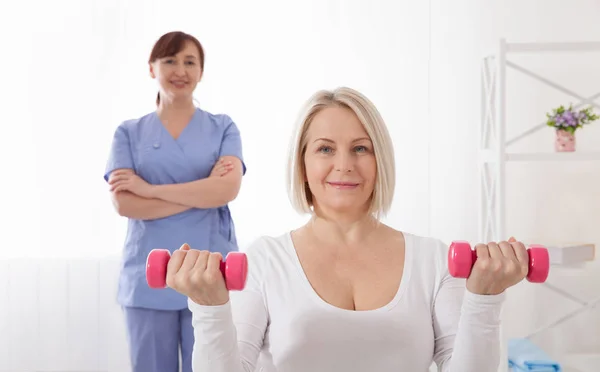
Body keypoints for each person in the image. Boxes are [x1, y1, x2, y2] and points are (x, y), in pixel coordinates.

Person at [165, 87, 529, 372]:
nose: (344, 165)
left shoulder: (433, 260)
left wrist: (484, 298)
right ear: (302, 163)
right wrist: (209, 307)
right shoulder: (264, 260)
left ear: (380, 160)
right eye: (325, 149)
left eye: (361, 148)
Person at [103, 31, 246, 372]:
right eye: (169, 60)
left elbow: (226, 191)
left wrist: (149, 190)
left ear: (201, 71)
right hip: (149, 273)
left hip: (210, 267)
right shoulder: (128, 133)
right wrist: (202, 192)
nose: (180, 69)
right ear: (152, 68)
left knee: (212, 363)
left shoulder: (223, 127)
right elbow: (125, 205)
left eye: (190, 61)